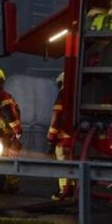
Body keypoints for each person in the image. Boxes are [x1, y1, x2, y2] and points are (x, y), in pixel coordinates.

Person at [0, 68, 22, 192]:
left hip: (5, 134)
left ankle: (10, 185)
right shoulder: (0, 95)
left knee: (7, 159)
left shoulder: (2, 96)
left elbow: (9, 113)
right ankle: (6, 184)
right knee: (3, 159)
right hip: (1, 133)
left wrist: (16, 130)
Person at [48, 72, 75, 201]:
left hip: (63, 140)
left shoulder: (62, 95)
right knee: (73, 167)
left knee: (63, 166)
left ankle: (64, 192)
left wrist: (51, 137)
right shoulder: (76, 95)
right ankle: (72, 191)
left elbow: (56, 117)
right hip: (75, 139)